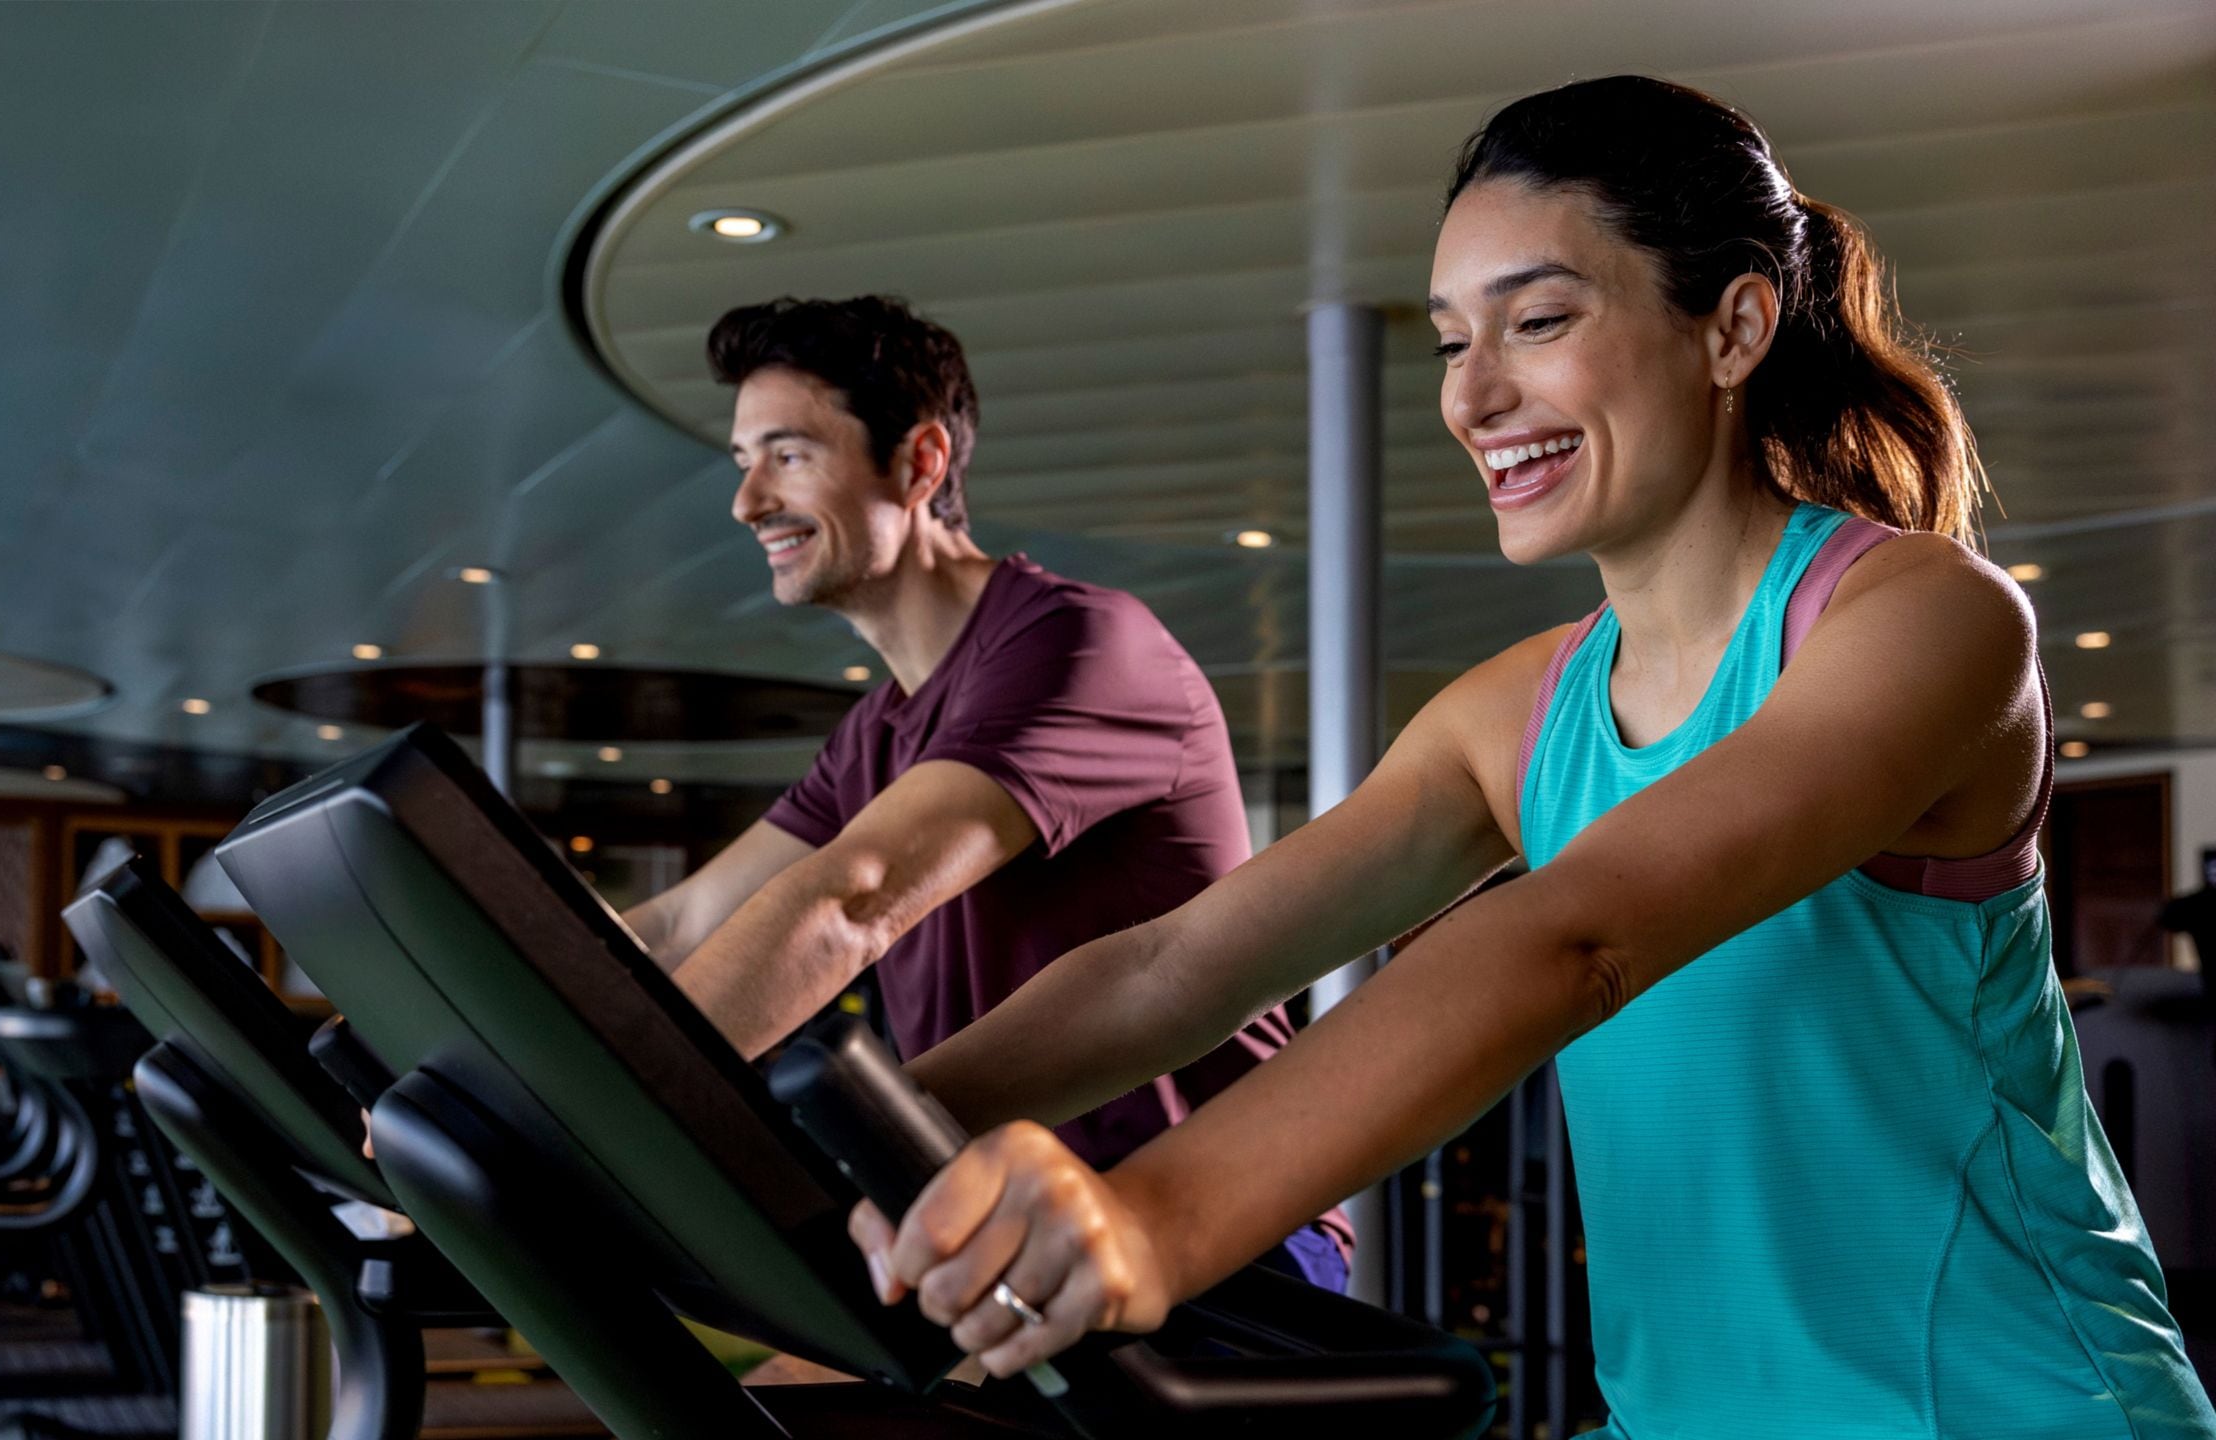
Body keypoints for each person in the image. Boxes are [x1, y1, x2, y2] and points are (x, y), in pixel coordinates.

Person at [853, 77, 2216, 1439]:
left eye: (1539, 321)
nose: (1475, 396)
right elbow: (1180, 966)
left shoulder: (1921, 622)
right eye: (1452, 343)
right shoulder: (1514, 715)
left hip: (2010, 1410)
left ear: (1734, 327)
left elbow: (1583, 936)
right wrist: (856, 1132)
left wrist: (1148, 1224)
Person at [620, 295, 1350, 1290]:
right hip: (1001, 1224)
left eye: (786, 455)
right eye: (743, 462)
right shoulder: (876, 732)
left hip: (1204, 1224)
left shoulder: (1079, 645)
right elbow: (679, 926)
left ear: (919, 463)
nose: (748, 503)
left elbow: (855, 897)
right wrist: (473, 1038)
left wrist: (607, 1110)